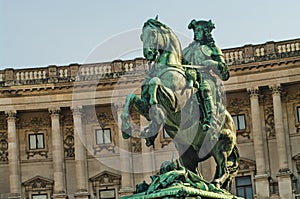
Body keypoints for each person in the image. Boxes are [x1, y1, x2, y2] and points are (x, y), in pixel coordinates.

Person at [183, 19, 230, 131]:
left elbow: (225, 74)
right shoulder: (185, 51)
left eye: (200, 30)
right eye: (196, 30)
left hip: (205, 78)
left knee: (205, 89)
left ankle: (210, 120)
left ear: (206, 33)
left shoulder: (212, 49)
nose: (197, 33)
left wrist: (212, 63)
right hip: (188, 79)